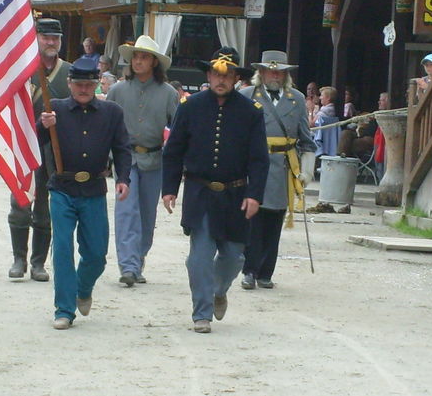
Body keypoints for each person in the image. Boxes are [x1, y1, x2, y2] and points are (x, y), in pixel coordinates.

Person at [162, 47, 269, 333]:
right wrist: (169, 188)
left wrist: (254, 194)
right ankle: (202, 313)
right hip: (200, 192)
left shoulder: (251, 113)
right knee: (199, 256)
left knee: (234, 257)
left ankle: (217, 291)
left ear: (236, 78)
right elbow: (173, 152)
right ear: (208, 75)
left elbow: (259, 159)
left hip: (236, 194)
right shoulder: (190, 107)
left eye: (227, 75)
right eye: (216, 74)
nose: (221, 80)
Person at [38, 58, 132, 330]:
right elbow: (35, 142)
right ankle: (64, 309)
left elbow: (123, 148)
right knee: (63, 248)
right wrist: (43, 126)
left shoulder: (111, 112)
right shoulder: (53, 109)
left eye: (89, 84)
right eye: (78, 83)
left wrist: (123, 178)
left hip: (93, 189)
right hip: (62, 188)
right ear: (69, 84)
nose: (83, 89)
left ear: (97, 84)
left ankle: (83, 287)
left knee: (96, 255)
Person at [238, 51, 316, 290]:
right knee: (253, 219)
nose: (274, 74)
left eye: (279, 71)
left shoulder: (297, 99)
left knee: (274, 221)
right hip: (254, 165)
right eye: (270, 70)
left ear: (285, 74)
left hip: (283, 167)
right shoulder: (246, 95)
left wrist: (307, 171)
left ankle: (265, 273)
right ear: (260, 72)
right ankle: (248, 270)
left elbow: (306, 139)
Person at [107, 35, 179, 286]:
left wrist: (176, 162)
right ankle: (128, 265)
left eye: (144, 57)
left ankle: (138, 258)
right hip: (125, 158)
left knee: (147, 215)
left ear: (154, 63)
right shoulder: (117, 90)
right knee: (126, 211)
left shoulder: (169, 93)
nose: (138, 61)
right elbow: (106, 125)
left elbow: (178, 129)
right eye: (135, 56)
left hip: (155, 158)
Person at [7, 18, 72, 281]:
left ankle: (38, 263)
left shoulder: (69, 72)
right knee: (20, 203)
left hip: (53, 147)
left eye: (55, 38)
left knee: (46, 208)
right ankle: (19, 259)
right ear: (36, 39)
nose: (51, 42)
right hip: (24, 145)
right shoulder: (23, 69)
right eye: (46, 37)